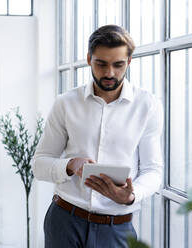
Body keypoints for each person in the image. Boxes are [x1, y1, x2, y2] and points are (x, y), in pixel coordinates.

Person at [32, 24, 164, 248]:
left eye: (118, 64)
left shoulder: (147, 106)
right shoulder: (66, 103)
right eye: (101, 64)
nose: (109, 73)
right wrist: (70, 165)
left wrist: (132, 196)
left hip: (117, 227)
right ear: (88, 59)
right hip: (64, 221)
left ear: (129, 61)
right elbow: (39, 164)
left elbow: (153, 170)